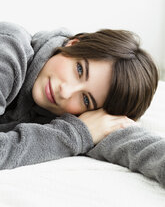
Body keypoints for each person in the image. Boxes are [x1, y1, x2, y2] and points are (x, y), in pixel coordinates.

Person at [0, 22, 164, 188]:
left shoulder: (67, 114)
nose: (65, 92)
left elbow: (124, 138)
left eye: (86, 99)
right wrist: (74, 135)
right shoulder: (10, 48)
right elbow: (78, 132)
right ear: (74, 43)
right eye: (79, 70)